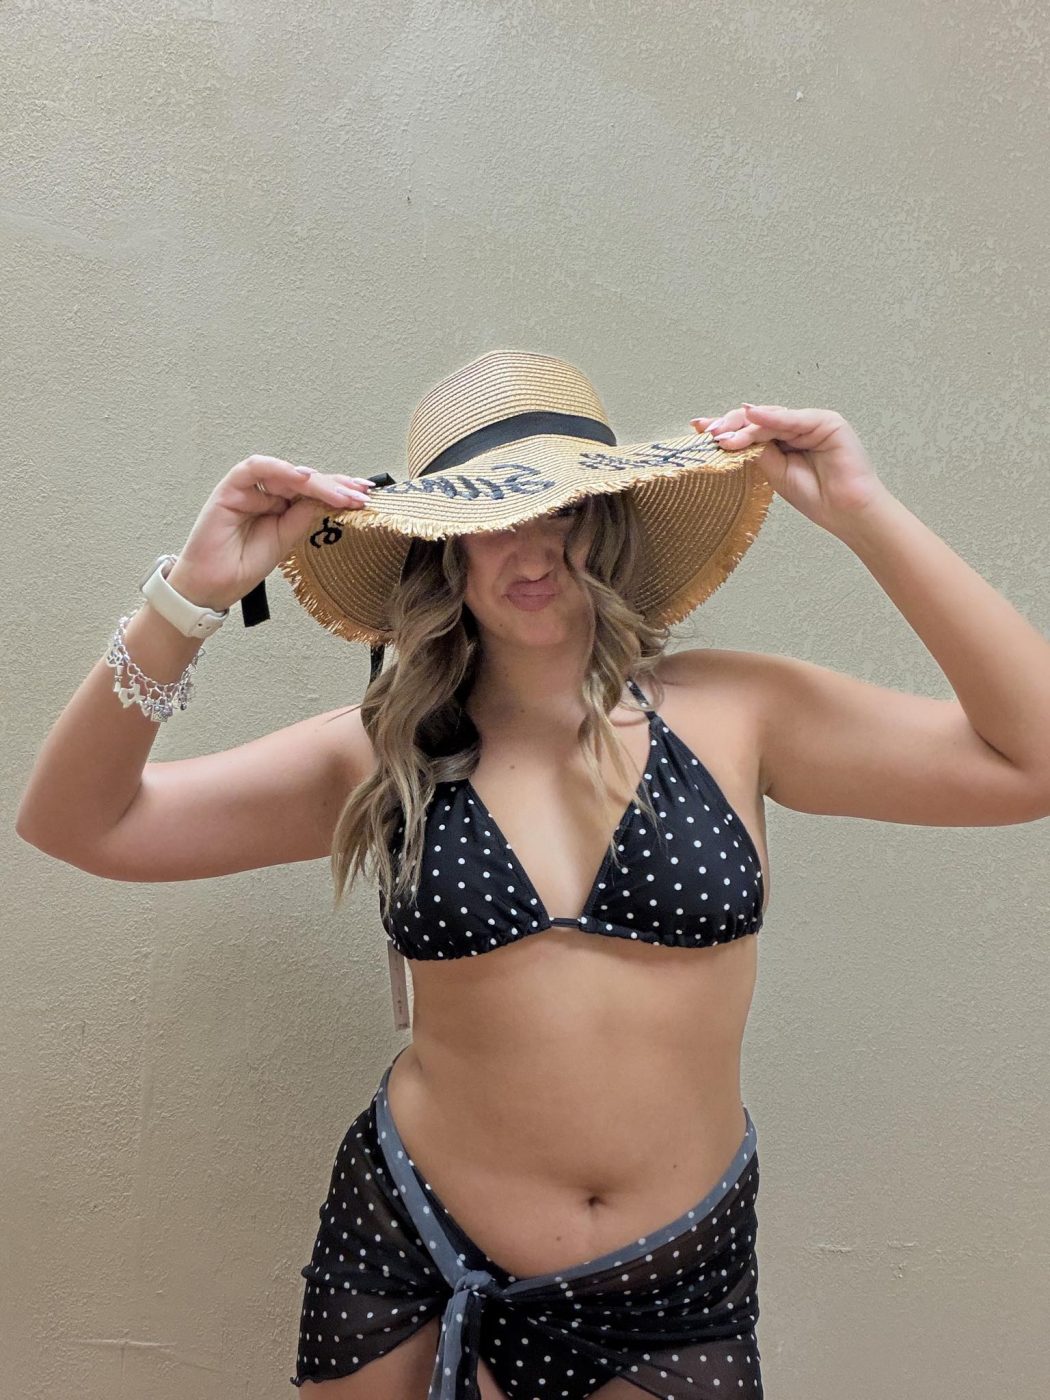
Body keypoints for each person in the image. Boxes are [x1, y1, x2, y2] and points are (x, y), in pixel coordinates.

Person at [16, 351, 1050, 1400]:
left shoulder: (739, 712)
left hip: (672, 1288)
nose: (533, 545)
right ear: (443, 548)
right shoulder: (382, 750)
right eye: (491, 516)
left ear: (608, 521)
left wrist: (867, 514)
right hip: (412, 1254)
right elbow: (78, 823)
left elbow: (1032, 761)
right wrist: (190, 596)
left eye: (564, 508)